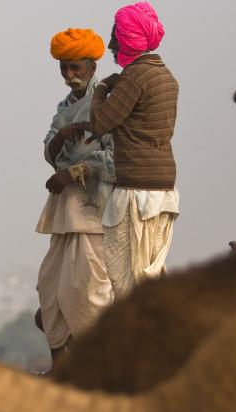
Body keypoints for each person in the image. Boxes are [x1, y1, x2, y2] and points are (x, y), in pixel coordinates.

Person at [35, 28, 116, 364]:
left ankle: (103, 370)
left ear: (92, 67)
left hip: (93, 210)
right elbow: (50, 149)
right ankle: (62, 371)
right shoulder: (64, 106)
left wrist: (74, 171)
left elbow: (117, 156)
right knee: (50, 291)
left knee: (86, 294)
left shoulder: (107, 104)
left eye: (76, 68)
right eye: (64, 68)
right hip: (63, 211)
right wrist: (63, 137)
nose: (69, 76)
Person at [90, 2, 179, 298]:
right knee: (150, 278)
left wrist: (102, 88)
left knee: (129, 286)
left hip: (136, 193)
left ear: (128, 38)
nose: (111, 43)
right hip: (164, 190)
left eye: (115, 35)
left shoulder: (135, 77)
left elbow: (101, 123)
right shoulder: (166, 76)